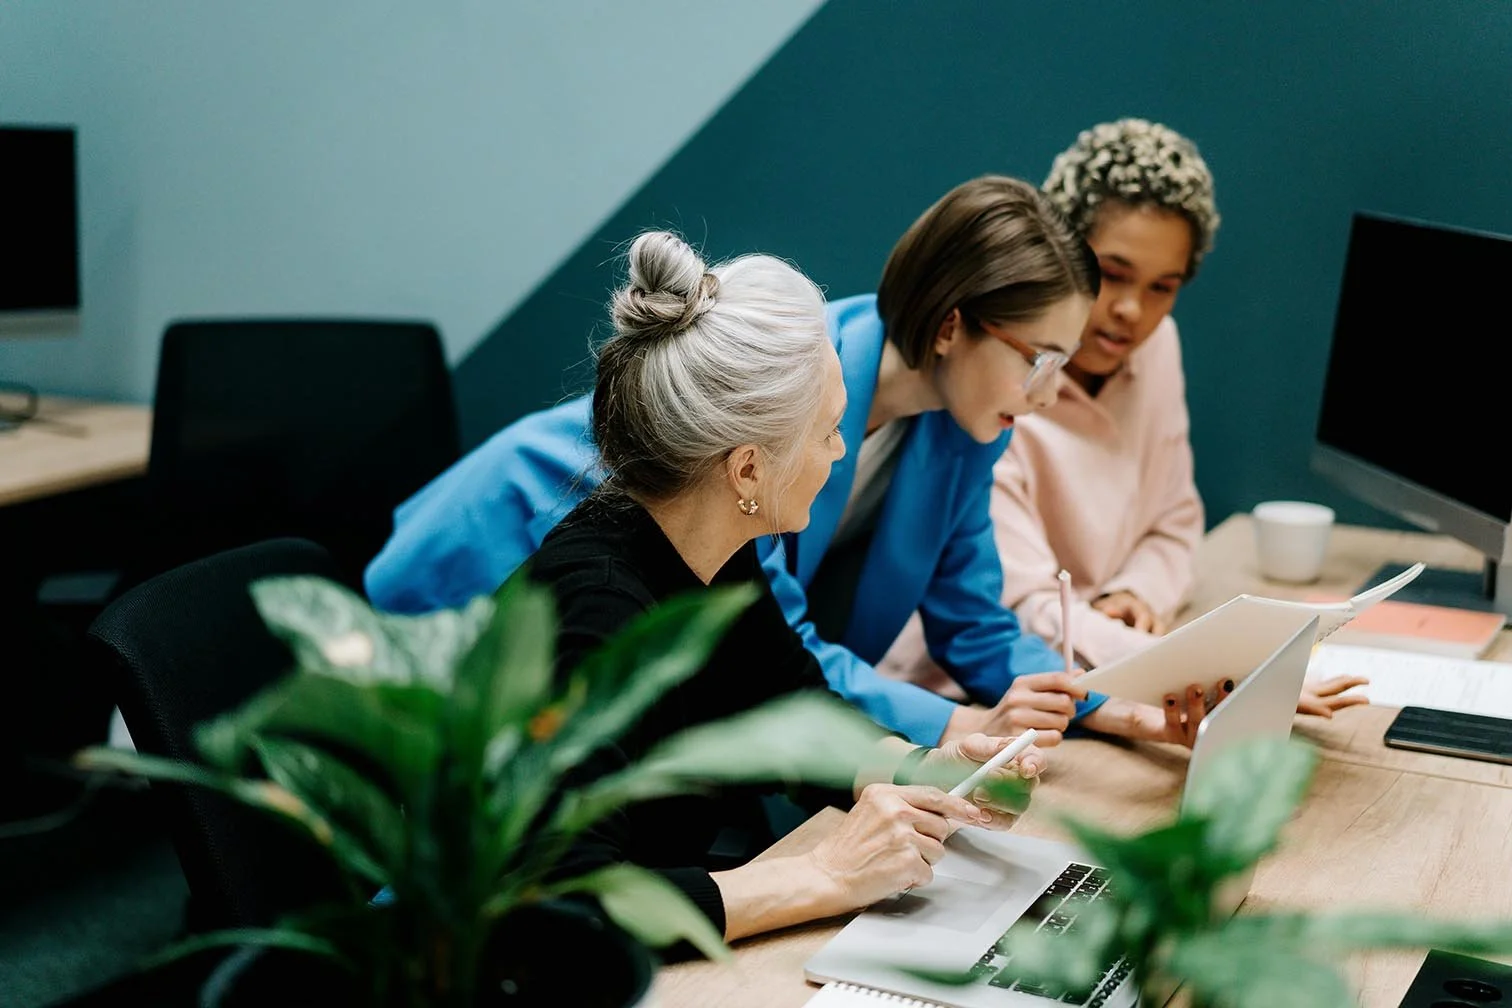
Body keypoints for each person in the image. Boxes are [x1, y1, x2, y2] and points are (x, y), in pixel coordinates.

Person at [366, 175, 1213, 748]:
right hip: (500, 549)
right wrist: (955, 730)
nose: (1045, 394)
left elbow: (975, 623)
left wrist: (1114, 710)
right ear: (953, 326)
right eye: (1039, 360)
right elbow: (787, 644)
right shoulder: (791, 410)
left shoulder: (965, 429)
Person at [535, 229, 1046, 943]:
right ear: (746, 471)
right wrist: (826, 874)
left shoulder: (716, 552)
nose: (840, 453)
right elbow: (564, 906)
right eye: (829, 431)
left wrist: (931, 770)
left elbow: (797, 713)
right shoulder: (594, 610)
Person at [879, 119, 1366, 720]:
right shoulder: (991, 387)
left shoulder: (1157, 350)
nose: (1133, 312)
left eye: (1163, 287)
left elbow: (1175, 518)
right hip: (966, 691)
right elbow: (1016, 609)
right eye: (1112, 275)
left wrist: (1134, 593)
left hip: (1092, 674)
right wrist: (1205, 667)